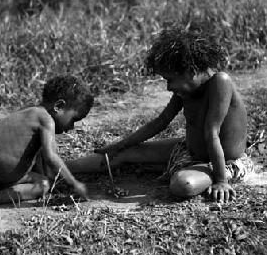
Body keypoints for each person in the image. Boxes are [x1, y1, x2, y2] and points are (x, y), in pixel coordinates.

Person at [67, 27, 253, 203]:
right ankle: (59, 168)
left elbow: (212, 133)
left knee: (183, 184)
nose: (168, 87)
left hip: (225, 162)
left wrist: (221, 180)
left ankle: (207, 173)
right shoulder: (186, 90)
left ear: (191, 71)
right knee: (122, 153)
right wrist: (120, 144)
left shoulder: (220, 82)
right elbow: (161, 122)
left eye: (170, 80)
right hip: (189, 150)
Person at [0, 75, 93, 235]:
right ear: (59, 106)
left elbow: (41, 158)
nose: (72, 127)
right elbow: (52, 157)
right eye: (74, 119)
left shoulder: (33, 114)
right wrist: (74, 183)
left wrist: (53, 179)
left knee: (44, 183)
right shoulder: (45, 119)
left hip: (8, 178)